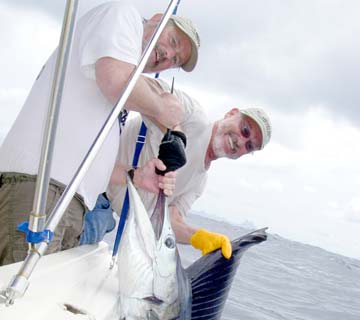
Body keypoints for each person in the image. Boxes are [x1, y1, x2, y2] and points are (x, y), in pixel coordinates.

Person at [0, 2, 200, 266]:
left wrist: (135, 176)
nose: (168, 55)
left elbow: (87, 159)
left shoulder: (122, 84)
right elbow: (115, 79)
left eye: (175, 60)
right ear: (156, 19)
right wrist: (168, 110)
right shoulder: (122, 14)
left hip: (69, 201)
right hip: (42, 190)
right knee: (21, 300)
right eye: (172, 41)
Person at [86, 77, 271, 259]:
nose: (241, 141)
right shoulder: (192, 115)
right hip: (87, 185)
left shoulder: (200, 182)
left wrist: (197, 236)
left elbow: (170, 220)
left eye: (249, 146)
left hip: (103, 217)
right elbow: (133, 81)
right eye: (245, 130)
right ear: (231, 113)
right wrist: (175, 130)